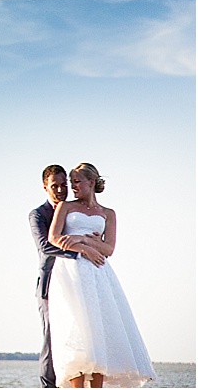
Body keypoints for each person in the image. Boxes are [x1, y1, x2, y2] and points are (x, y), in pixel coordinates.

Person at [47, 163, 156, 387]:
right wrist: (82, 246)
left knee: (100, 331)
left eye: (77, 181)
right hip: (71, 272)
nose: (72, 186)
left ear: (91, 182)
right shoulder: (65, 207)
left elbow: (109, 249)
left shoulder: (108, 213)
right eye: (72, 181)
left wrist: (83, 239)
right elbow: (54, 238)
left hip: (98, 273)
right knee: (76, 329)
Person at [30, 165, 107, 388]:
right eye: (55, 186)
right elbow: (45, 245)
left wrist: (91, 242)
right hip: (51, 282)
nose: (61, 190)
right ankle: (49, 386)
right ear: (45, 187)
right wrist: (81, 250)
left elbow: (102, 242)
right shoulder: (38, 215)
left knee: (84, 335)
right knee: (52, 338)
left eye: (64, 184)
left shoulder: (76, 208)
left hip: (82, 280)